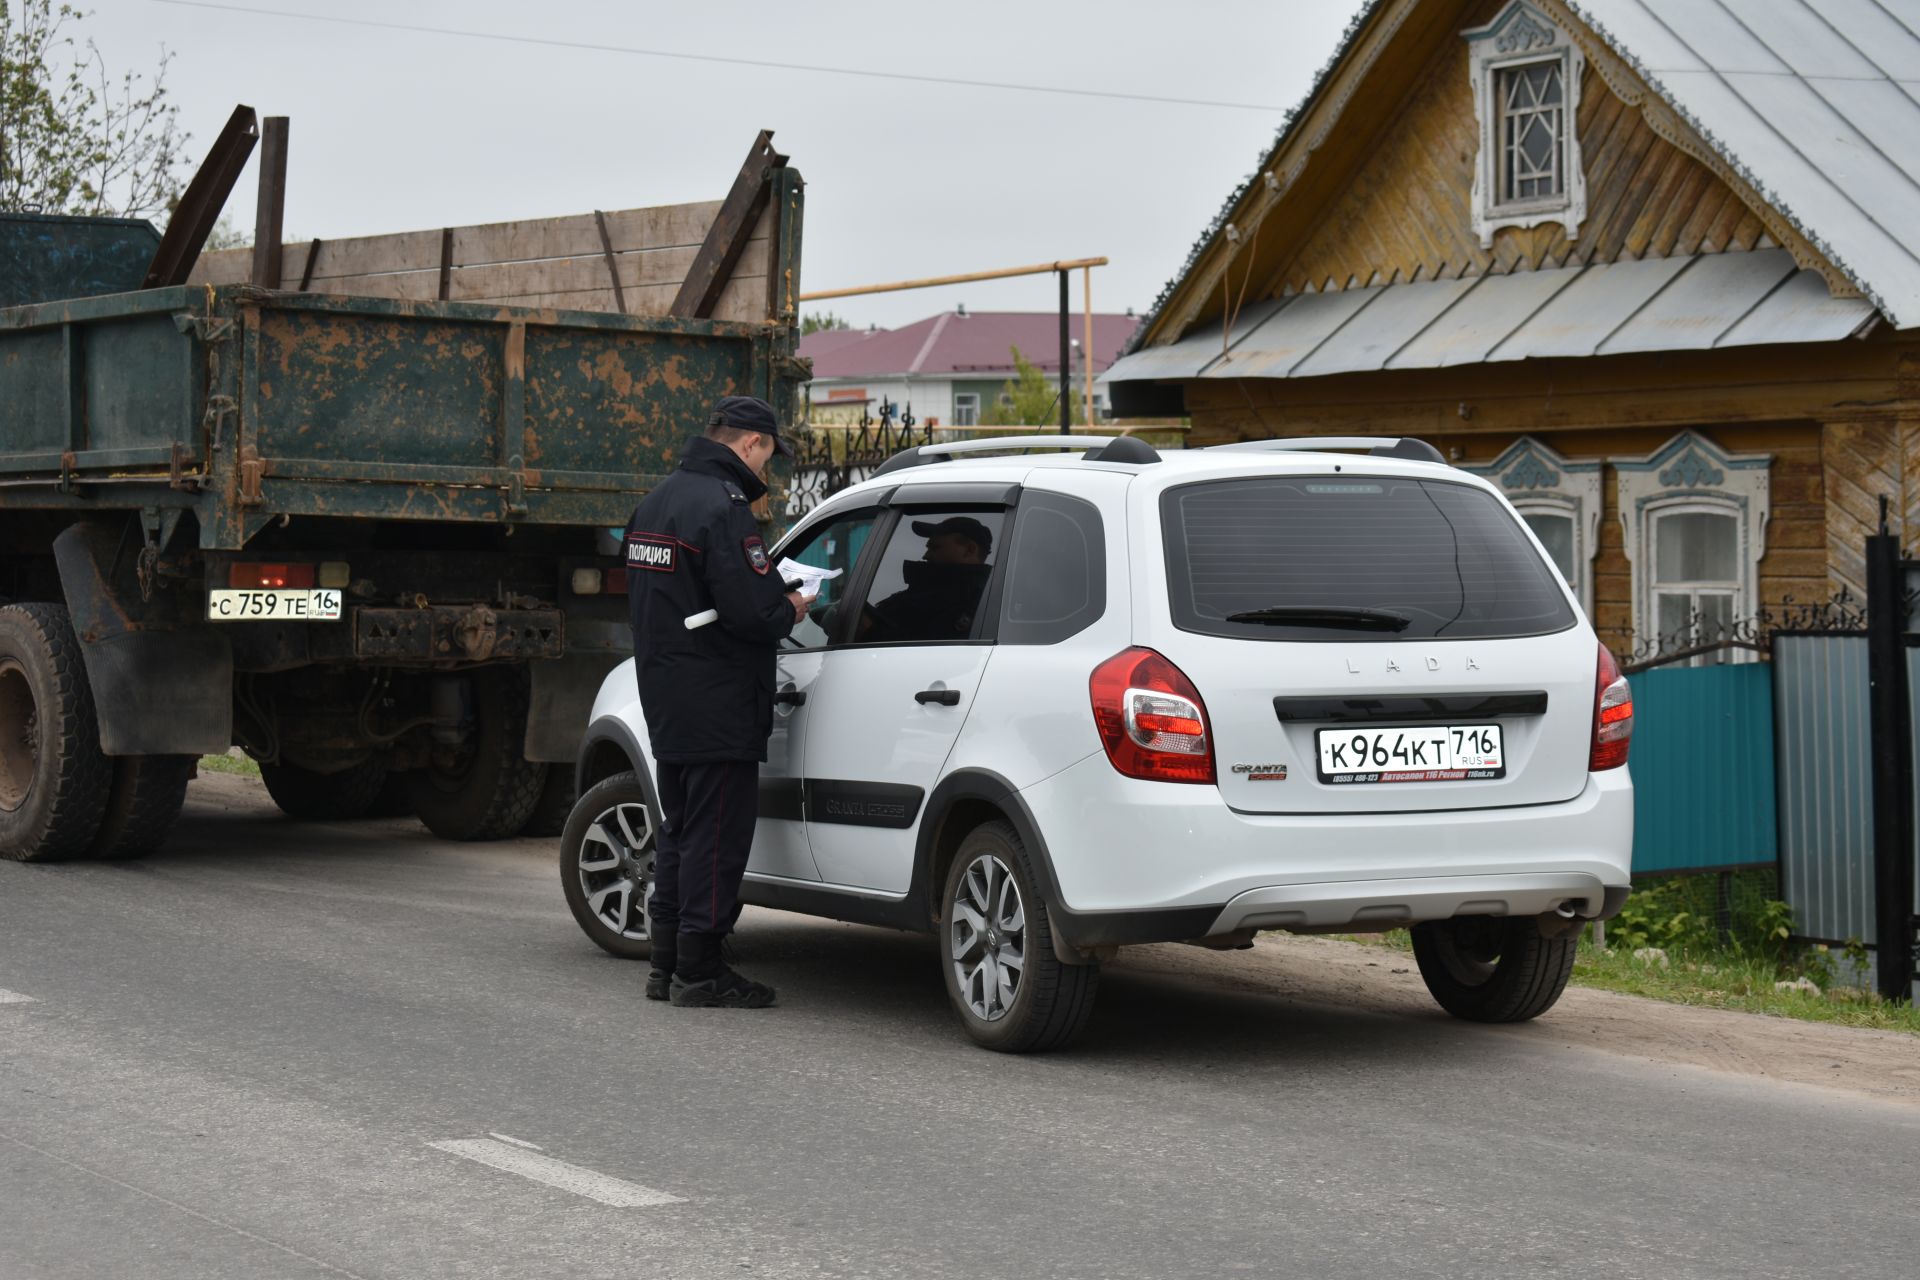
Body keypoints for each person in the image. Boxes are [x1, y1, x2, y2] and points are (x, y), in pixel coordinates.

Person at [624, 395, 809, 1009]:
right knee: (717, 835)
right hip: (719, 696)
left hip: (668, 691)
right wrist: (790, 607)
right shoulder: (721, 508)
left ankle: (665, 961)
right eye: (768, 458)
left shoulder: (657, 501)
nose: (767, 473)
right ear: (751, 443)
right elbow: (751, 611)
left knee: (680, 829)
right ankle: (701, 972)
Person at [857, 516, 994, 643]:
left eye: (935, 547)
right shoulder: (933, 590)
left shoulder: (975, 601)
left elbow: (930, 652)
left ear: (969, 550)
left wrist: (868, 629)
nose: (925, 555)